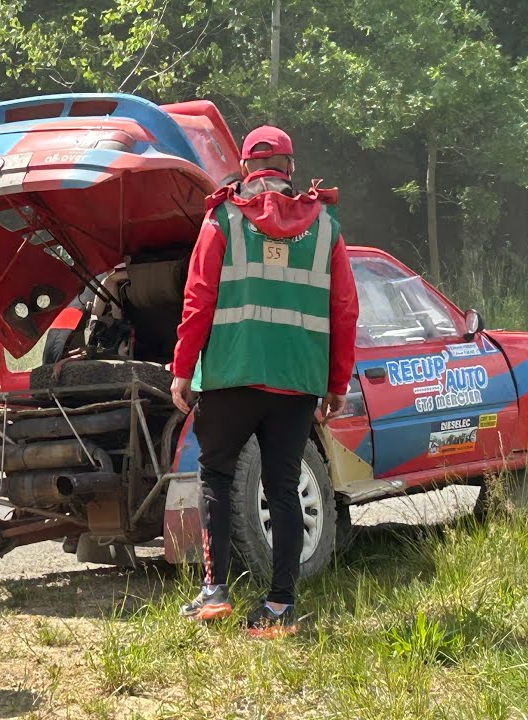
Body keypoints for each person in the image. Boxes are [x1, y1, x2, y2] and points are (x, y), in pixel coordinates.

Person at [169, 126, 359, 638]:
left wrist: (183, 369)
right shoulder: (326, 228)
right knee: (282, 487)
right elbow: (344, 310)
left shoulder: (223, 218)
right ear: (290, 168)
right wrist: (337, 381)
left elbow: (198, 299)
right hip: (297, 383)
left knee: (216, 476)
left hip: (230, 376)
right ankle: (279, 607)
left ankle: (214, 593)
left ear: (246, 167)